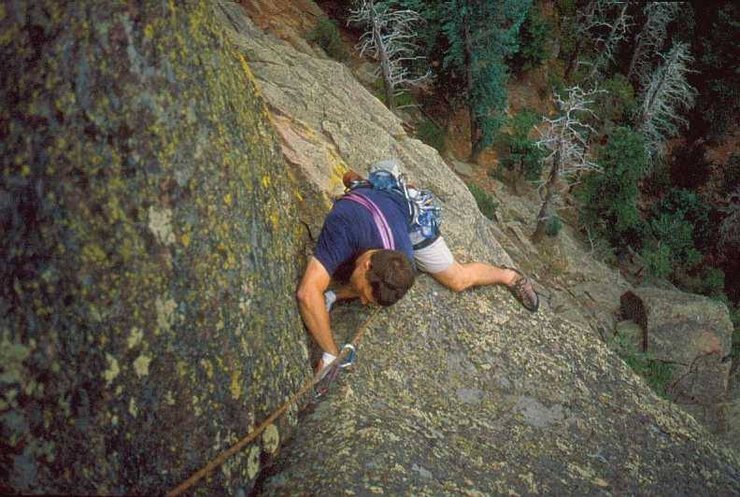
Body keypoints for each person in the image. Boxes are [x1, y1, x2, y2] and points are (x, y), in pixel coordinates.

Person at [296, 161, 539, 372]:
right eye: (364, 296)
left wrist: (334, 294)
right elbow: (307, 293)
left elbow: (379, 281)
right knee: (347, 272)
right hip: (370, 208)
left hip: (411, 220)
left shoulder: (404, 259)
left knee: (457, 279)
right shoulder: (342, 227)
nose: (363, 302)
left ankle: (509, 276)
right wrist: (331, 353)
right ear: (367, 264)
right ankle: (362, 184)